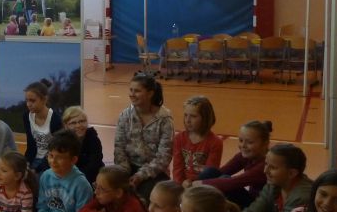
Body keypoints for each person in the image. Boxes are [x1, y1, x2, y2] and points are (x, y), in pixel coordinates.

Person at [114, 73, 174, 201]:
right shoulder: (125, 116)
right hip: (128, 168)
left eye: (137, 91)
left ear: (150, 93)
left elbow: (164, 156)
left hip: (154, 172)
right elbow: (119, 148)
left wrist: (140, 176)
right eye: (131, 90)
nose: (132, 94)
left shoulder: (164, 119)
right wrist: (124, 173)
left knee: (142, 198)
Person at [197, 120, 272, 208]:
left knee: (224, 180)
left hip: (262, 208)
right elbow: (220, 172)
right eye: (241, 140)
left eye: (250, 142)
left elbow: (234, 182)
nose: (243, 145)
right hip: (251, 199)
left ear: (265, 143)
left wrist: (198, 184)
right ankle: (199, 206)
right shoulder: (245, 156)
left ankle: (201, 207)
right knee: (210, 172)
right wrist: (192, 181)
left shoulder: (266, 164)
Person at [171, 96, 223, 187]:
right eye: (185, 115)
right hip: (182, 184)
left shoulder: (215, 142)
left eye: (193, 116)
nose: (187, 120)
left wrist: (194, 185)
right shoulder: (179, 138)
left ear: (205, 118)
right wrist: (181, 182)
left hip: (202, 185)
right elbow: (177, 168)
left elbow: (210, 173)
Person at [22, 79, 62, 174]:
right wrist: (26, 164)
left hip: (50, 162)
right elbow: (31, 145)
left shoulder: (55, 119)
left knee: (37, 180)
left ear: (44, 99)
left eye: (32, 101)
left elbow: (56, 150)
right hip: (33, 159)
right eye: (27, 100)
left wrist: (36, 170)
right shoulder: (26, 116)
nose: (28, 104)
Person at [62, 106, 103, 186]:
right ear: (66, 126)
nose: (78, 125)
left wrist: (77, 180)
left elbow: (94, 165)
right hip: (66, 179)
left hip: (88, 179)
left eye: (82, 121)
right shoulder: (61, 140)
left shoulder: (93, 139)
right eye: (73, 123)